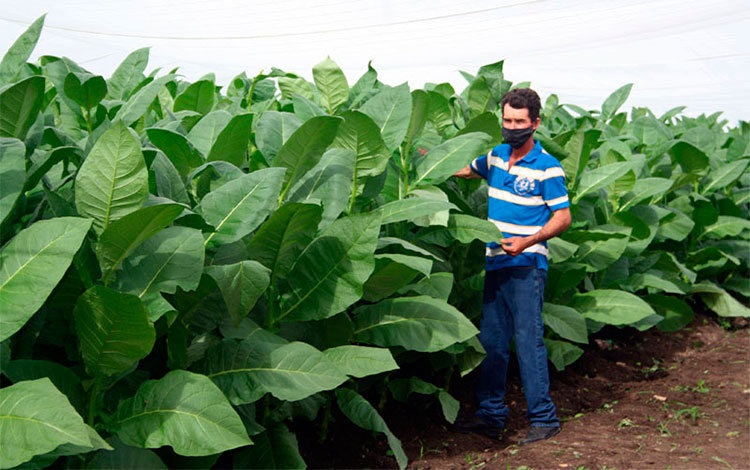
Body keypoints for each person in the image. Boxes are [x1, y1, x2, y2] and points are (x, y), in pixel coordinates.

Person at [450, 87, 571, 445]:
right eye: (507, 120)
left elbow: (562, 218)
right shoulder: (496, 156)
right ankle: (490, 415)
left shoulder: (548, 167)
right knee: (493, 342)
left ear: (535, 123)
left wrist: (528, 241)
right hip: (496, 260)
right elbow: (466, 171)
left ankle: (544, 419)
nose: (512, 126)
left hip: (527, 263)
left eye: (520, 121)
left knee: (528, 339)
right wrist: (429, 160)